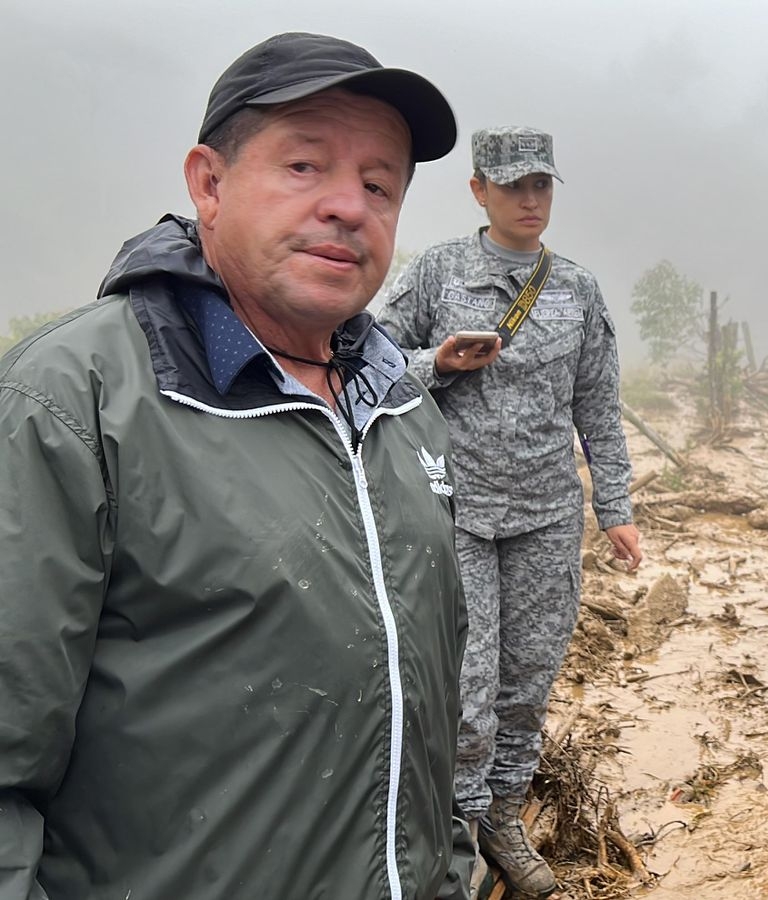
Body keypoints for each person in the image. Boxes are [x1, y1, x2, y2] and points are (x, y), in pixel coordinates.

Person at [0, 33, 472, 899]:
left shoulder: (404, 410)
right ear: (209, 184)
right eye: (304, 166)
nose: (348, 206)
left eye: (379, 185)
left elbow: (427, 710)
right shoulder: (74, 402)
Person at [378, 126, 641, 896]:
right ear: (479, 190)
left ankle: (501, 817)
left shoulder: (577, 290)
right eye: (514, 185)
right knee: (468, 692)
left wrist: (616, 508)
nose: (530, 199)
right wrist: (437, 363)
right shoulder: (438, 273)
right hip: (455, 511)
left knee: (525, 684)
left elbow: (598, 407)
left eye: (541, 185)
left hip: (547, 517)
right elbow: (370, 363)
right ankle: (454, 838)